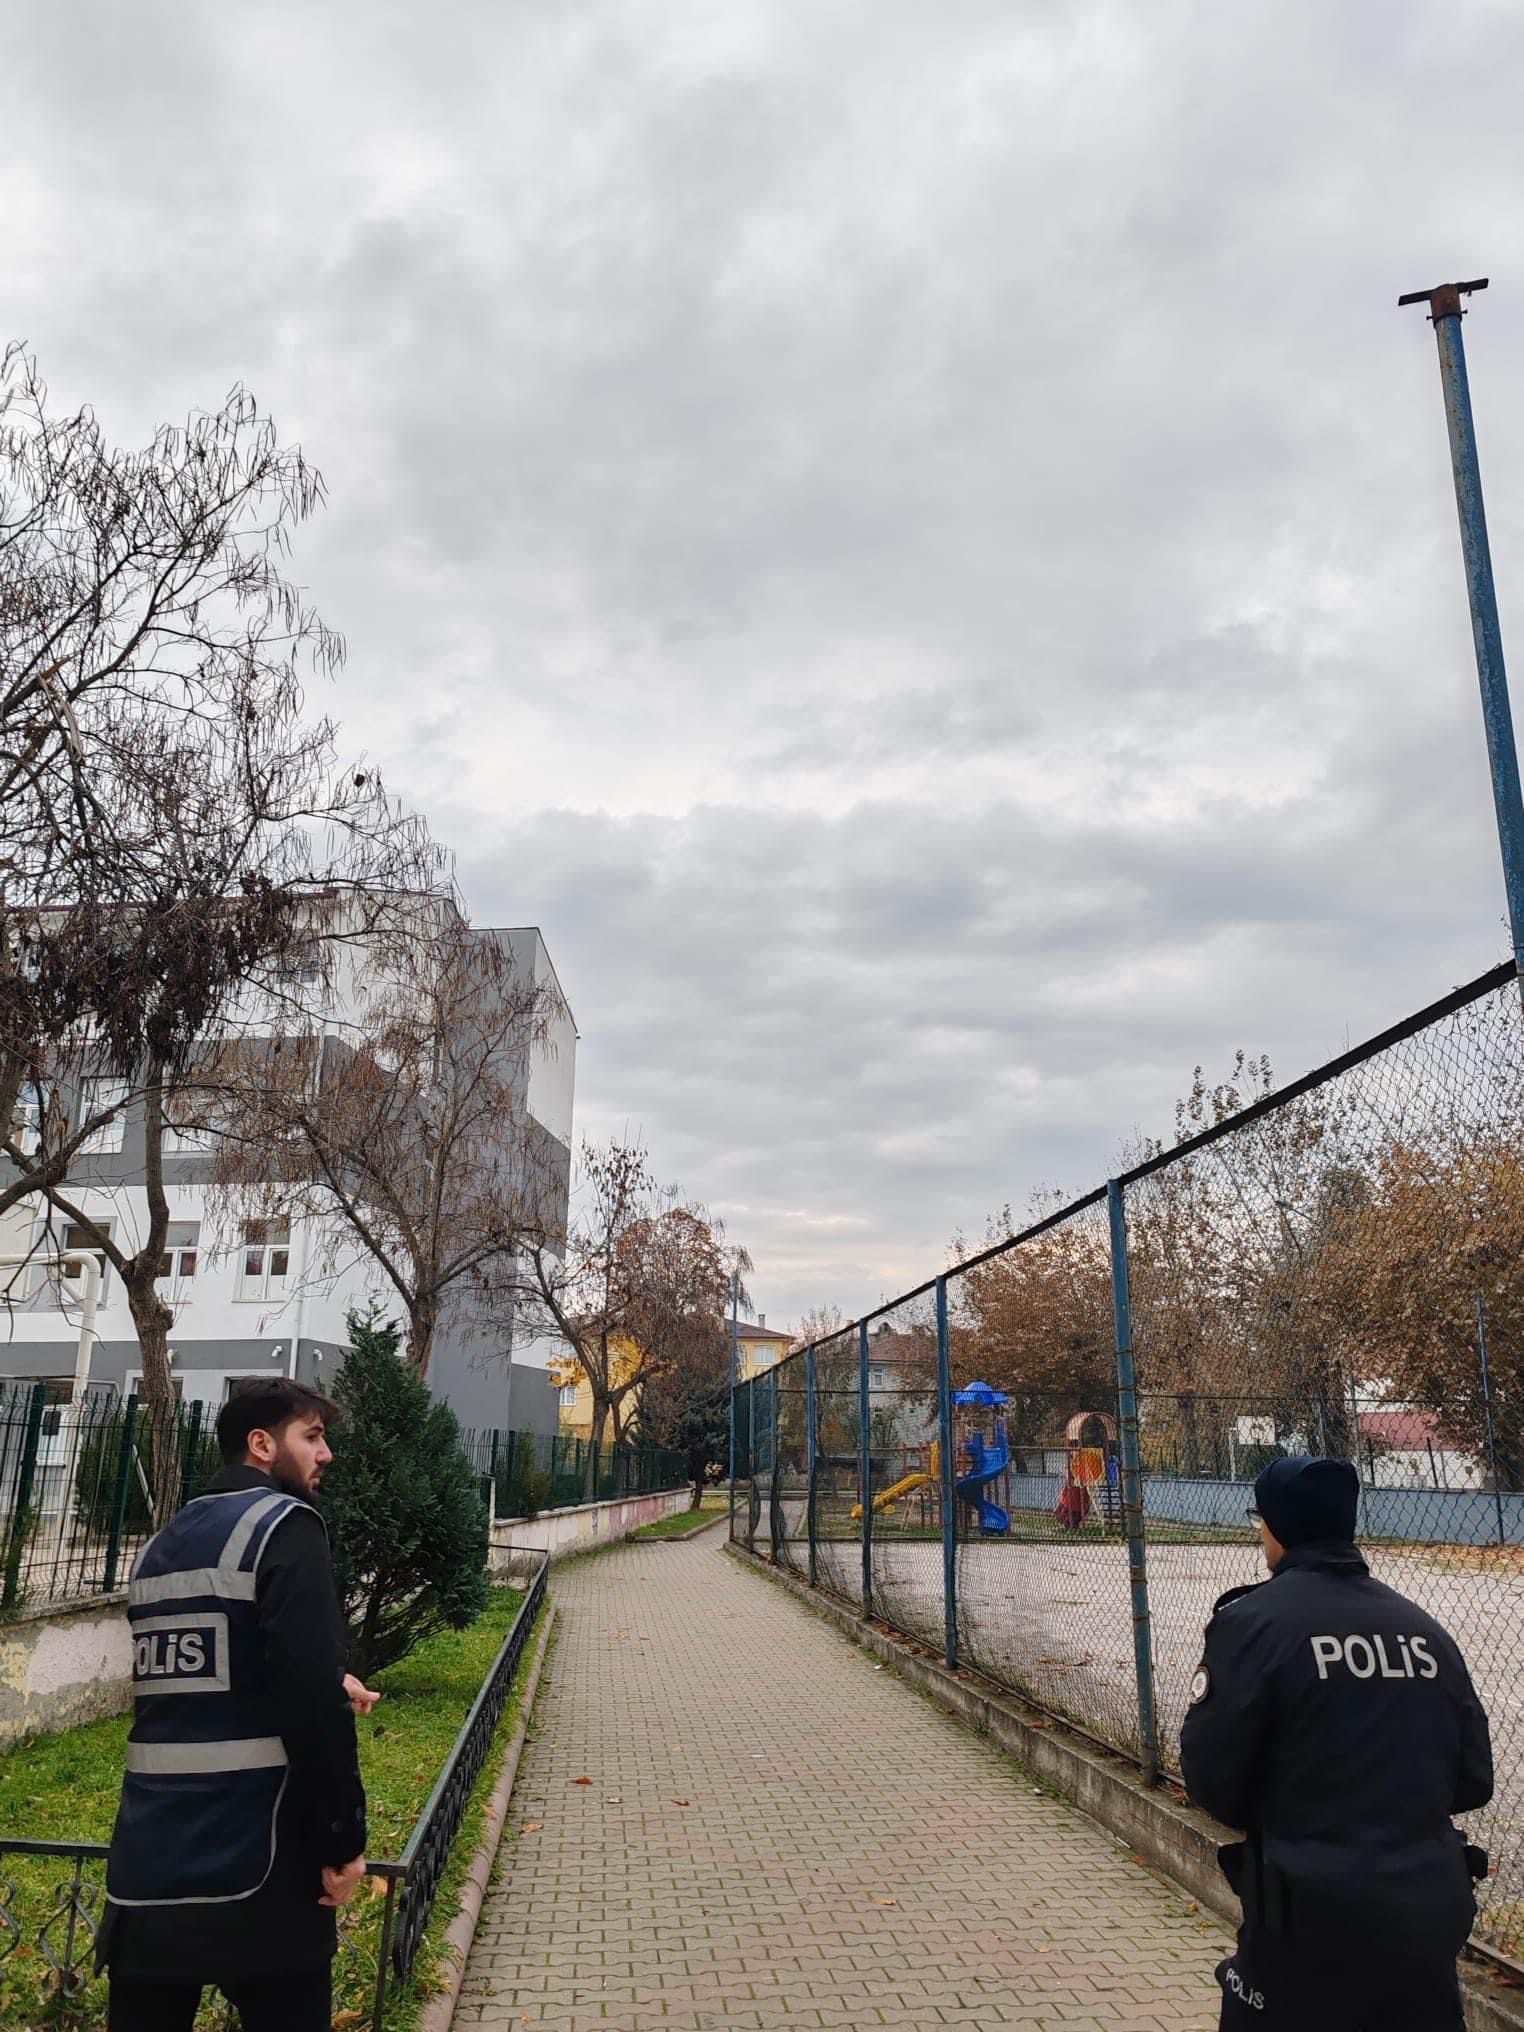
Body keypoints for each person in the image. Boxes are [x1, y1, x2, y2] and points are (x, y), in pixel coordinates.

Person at [1180, 1455, 1494, 2030]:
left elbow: (1212, 1782)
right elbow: (1474, 1780)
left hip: (1305, 1922)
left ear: (1275, 1525)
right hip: (1423, 1923)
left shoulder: (1252, 1625)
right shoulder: (1424, 1631)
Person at [100, 1377, 376, 2032]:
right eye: (312, 1436)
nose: (326, 1453)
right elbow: (310, 1706)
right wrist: (344, 1841)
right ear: (260, 1444)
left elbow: (203, 1676)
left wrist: (325, 1679)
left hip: (148, 1869)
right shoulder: (287, 1526)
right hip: (263, 1869)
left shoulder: (160, 1544)